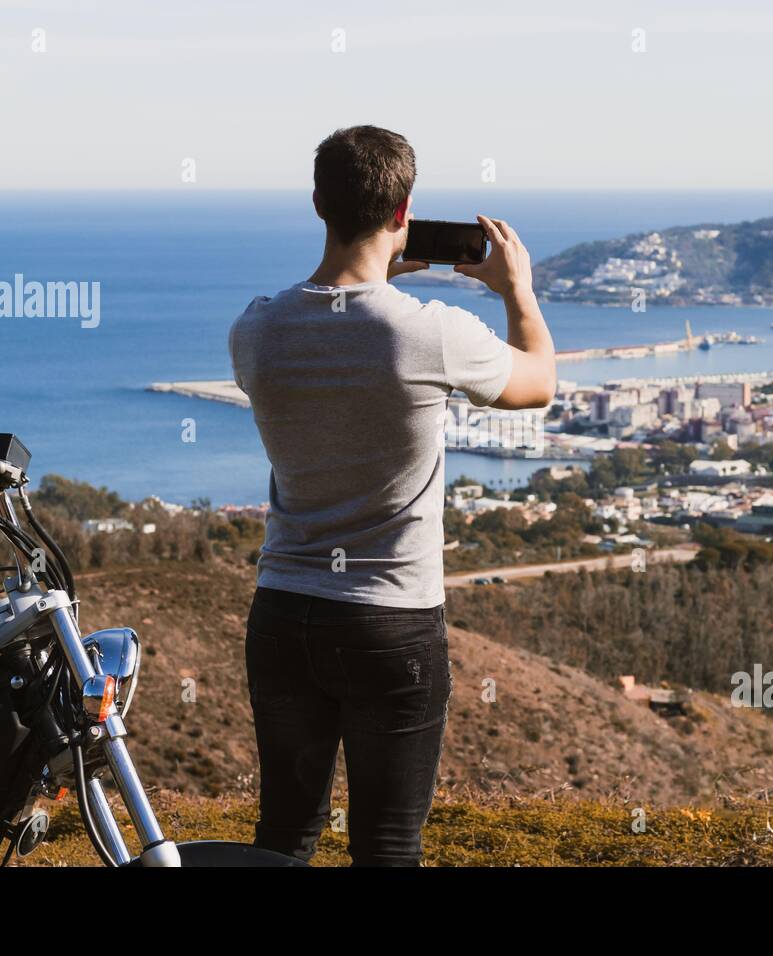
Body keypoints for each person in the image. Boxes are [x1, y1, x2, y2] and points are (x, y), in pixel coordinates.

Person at [228, 125, 556, 865]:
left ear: (317, 202)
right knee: (385, 844)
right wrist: (518, 290)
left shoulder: (255, 330)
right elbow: (537, 383)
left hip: (282, 613)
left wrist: (377, 275)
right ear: (404, 210)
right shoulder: (432, 335)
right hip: (391, 623)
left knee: (282, 835)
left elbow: (333, 331)